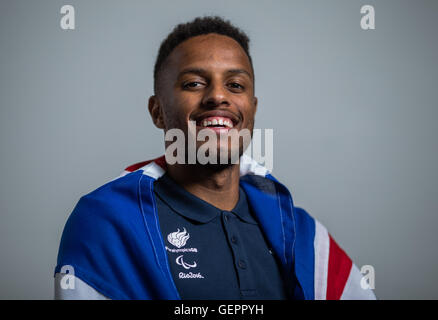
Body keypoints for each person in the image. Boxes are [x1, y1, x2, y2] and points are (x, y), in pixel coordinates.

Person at [54, 16, 376, 300]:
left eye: (235, 85)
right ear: (157, 111)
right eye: (194, 83)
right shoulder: (106, 223)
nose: (219, 96)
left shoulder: (302, 233)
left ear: (252, 109)